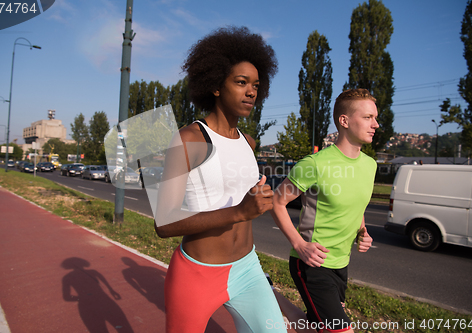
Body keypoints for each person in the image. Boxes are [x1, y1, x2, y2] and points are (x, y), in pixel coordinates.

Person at [154, 26, 287, 333]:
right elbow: (164, 223)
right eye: (241, 82)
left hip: (248, 269)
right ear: (215, 86)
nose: (251, 91)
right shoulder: (188, 139)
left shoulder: (249, 142)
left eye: (255, 85)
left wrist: (258, 197)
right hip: (197, 274)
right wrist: (240, 211)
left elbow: (237, 192)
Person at [270, 89, 378, 333]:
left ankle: (270, 293)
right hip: (312, 263)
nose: (376, 124)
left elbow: (357, 206)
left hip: (342, 263)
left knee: (314, 327)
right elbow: (277, 202)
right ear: (344, 121)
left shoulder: (370, 166)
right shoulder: (314, 164)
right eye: (368, 117)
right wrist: (299, 244)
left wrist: (363, 231)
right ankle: (271, 293)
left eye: (375, 117)